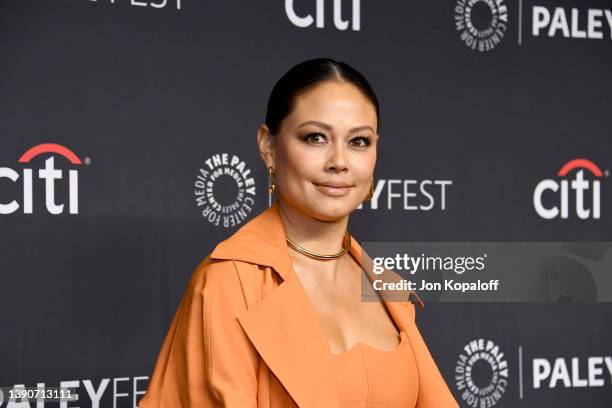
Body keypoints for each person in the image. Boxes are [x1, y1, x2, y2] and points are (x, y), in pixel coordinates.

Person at [139, 58, 458, 408]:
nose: (339, 160)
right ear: (268, 147)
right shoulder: (227, 284)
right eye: (315, 137)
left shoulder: (385, 287)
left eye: (359, 141)